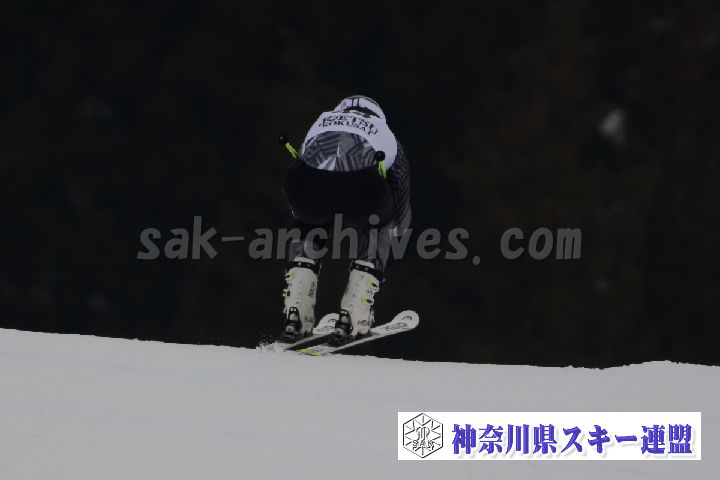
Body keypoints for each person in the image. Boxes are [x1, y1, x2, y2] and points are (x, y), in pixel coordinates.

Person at [279, 95, 411, 344]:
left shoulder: (324, 121)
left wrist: (302, 216)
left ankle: (297, 311)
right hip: (362, 189)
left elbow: (300, 169)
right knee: (379, 227)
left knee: (308, 226)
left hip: (307, 187)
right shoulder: (385, 133)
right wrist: (395, 232)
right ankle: (355, 313)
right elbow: (400, 194)